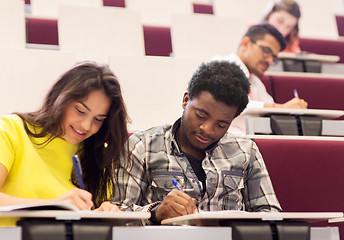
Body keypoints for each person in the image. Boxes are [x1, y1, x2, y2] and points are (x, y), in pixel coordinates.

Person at [113, 61, 282, 225]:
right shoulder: (143, 146)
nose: (207, 129)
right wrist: (155, 213)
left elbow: (270, 215)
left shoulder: (246, 151)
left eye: (221, 124)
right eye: (201, 115)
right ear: (186, 100)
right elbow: (116, 215)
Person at [0, 62, 129, 225]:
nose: (86, 126)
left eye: (98, 119)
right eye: (80, 111)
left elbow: (83, 217)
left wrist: (102, 213)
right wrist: (55, 206)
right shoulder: (13, 129)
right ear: (61, 98)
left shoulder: (98, 154)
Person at [212, 24, 308, 135]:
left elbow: (272, 110)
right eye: (267, 51)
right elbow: (230, 103)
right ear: (246, 43)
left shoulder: (256, 83)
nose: (270, 61)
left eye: (274, 58)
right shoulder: (221, 65)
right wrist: (281, 107)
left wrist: (290, 109)